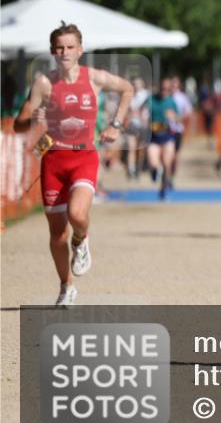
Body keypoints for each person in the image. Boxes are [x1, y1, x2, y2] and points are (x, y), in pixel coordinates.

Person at [13, 22, 134, 307]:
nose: (65, 52)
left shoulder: (94, 77)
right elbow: (19, 125)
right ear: (52, 51)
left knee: (78, 215)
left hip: (84, 156)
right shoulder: (44, 83)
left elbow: (127, 89)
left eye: (70, 47)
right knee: (57, 235)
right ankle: (67, 286)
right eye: (59, 48)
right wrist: (33, 118)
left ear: (80, 50)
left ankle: (81, 241)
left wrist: (116, 125)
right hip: (54, 159)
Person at [148, 77, 178, 200]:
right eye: (162, 88)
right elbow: (144, 113)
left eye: (167, 88)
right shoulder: (151, 100)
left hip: (167, 136)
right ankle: (155, 172)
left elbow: (179, 119)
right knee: (153, 163)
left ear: (170, 89)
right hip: (153, 136)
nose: (164, 90)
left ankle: (163, 190)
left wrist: (173, 117)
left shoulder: (171, 102)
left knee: (167, 163)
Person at [169, 75, 193, 184]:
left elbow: (189, 112)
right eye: (172, 83)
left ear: (179, 85)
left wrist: (180, 118)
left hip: (177, 130)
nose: (174, 85)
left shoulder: (182, 97)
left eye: (175, 83)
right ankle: (166, 173)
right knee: (167, 153)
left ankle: (172, 175)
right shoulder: (166, 96)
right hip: (166, 130)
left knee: (175, 155)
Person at [125, 76, 150, 180]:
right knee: (131, 147)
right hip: (132, 125)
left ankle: (139, 168)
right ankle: (131, 169)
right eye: (134, 83)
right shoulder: (128, 95)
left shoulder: (146, 95)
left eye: (138, 83)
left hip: (143, 126)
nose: (136, 85)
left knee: (141, 149)